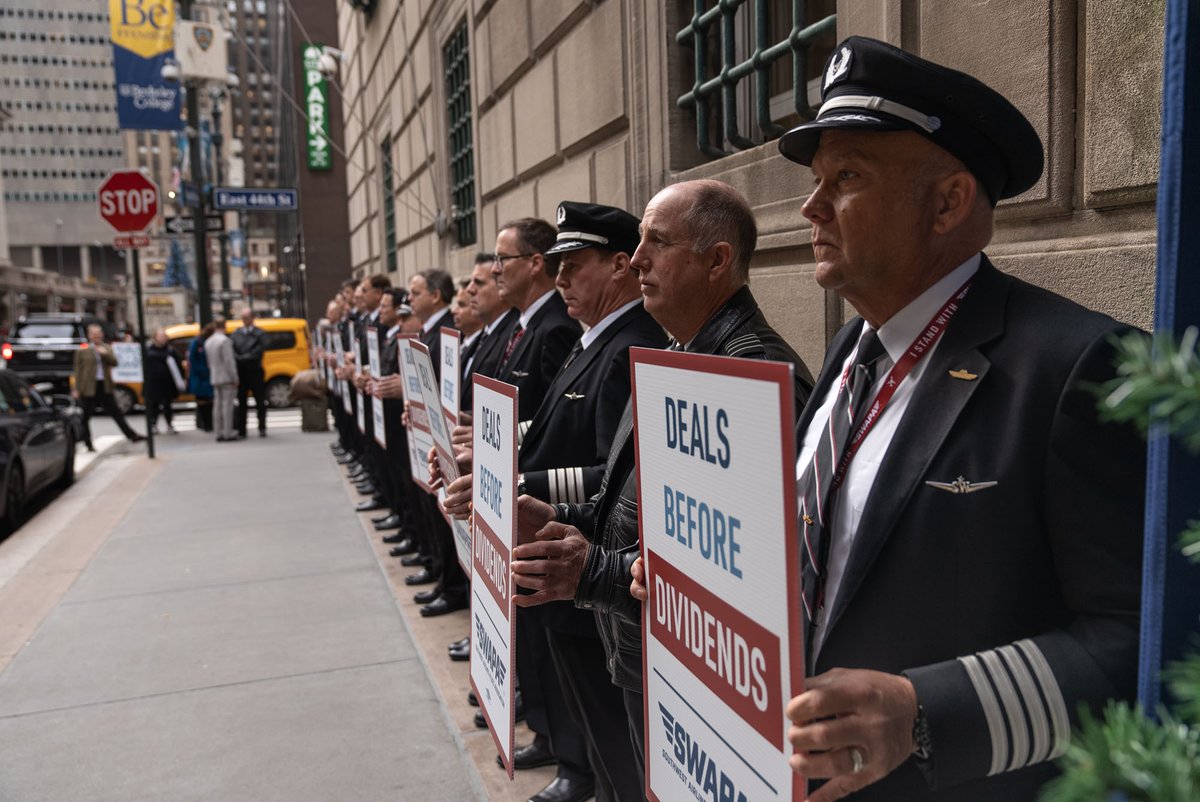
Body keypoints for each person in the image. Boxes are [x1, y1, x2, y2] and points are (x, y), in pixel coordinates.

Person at [752, 36, 1142, 802]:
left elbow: (1144, 643)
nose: (811, 206)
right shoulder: (846, 351)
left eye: (848, 177)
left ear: (948, 202)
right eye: (818, 178)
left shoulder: (1082, 368)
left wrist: (923, 713)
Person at [480, 179, 814, 794]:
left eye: (657, 243)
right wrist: (552, 515)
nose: (637, 261)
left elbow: (748, 578)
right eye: (638, 244)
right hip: (646, 656)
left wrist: (596, 571)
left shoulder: (754, 378)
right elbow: (634, 500)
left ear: (717, 261)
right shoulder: (678, 357)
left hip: (700, 691)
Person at [491, 218, 582, 422]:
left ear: (535, 264)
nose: (494, 270)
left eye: (502, 259)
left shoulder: (557, 330)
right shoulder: (521, 323)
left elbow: (559, 418)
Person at [71, 323, 144, 449]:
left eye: (98, 335)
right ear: (89, 336)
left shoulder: (106, 348)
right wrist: (76, 389)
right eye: (94, 335)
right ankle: (88, 442)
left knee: (116, 412)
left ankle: (131, 435)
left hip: (104, 385)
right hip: (88, 387)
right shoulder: (82, 350)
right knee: (86, 416)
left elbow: (115, 362)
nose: (96, 337)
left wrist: (104, 353)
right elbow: (77, 370)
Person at [231, 308, 268, 438]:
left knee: (260, 400)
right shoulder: (236, 334)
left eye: (246, 317)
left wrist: (244, 358)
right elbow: (232, 349)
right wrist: (240, 358)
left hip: (255, 371)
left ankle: (262, 427)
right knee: (242, 402)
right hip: (241, 372)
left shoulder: (260, 334)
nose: (244, 320)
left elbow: (260, 350)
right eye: (243, 317)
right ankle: (242, 429)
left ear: (252, 318)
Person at [143, 328, 183, 434]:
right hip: (153, 383)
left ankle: (169, 425)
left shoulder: (170, 351)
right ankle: (153, 424)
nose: (162, 338)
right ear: (155, 337)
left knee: (167, 405)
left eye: (164, 336)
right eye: (160, 336)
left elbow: (178, 367)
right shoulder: (148, 350)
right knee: (154, 405)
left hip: (167, 383)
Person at [207, 318, 238, 443]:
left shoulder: (209, 341)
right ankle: (227, 432)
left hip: (215, 376)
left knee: (217, 405)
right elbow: (229, 361)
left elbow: (209, 362)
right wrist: (235, 377)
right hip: (226, 377)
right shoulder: (224, 341)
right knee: (227, 406)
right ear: (224, 326)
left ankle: (218, 432)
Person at [187, 322, 215, 432]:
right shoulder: (197, 343)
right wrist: (204, 371)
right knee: (202, 401)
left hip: (206, 376)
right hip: (200, 377)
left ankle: (209, 423)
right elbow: (192, 359)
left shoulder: (204, 342)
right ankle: (206, 423)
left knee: (209, 401)